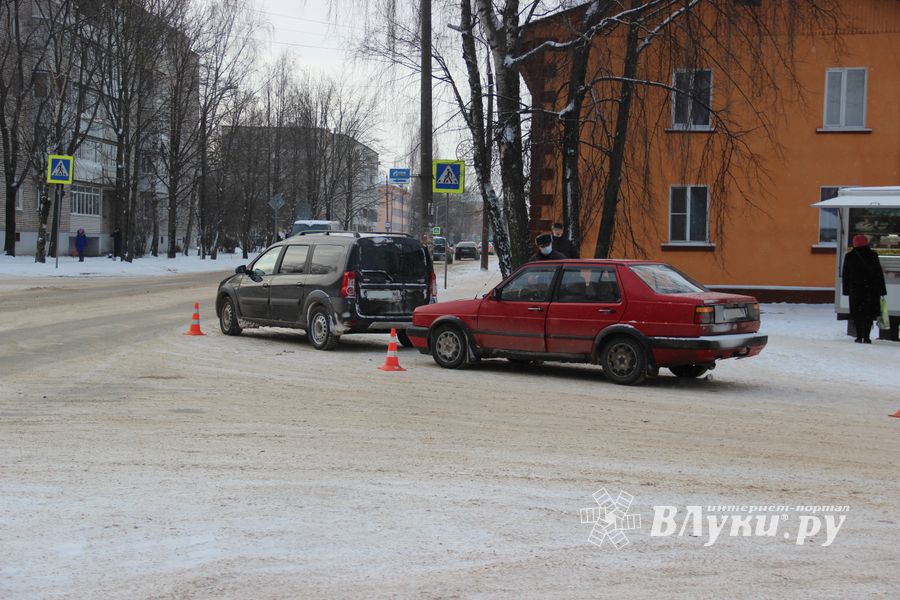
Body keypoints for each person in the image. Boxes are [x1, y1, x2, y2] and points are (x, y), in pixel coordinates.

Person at [842, 234, 886, 343]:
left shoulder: (850, 256)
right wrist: (882, 290)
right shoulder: (873, 255)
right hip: (871, 290)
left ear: (855, 243)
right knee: (868, 314)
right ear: (866, 243)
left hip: (856, 290)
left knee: (857, 314)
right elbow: (878, 273)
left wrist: (846, 290)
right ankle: (866, 337)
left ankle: (859, 336)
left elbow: (846, 275)